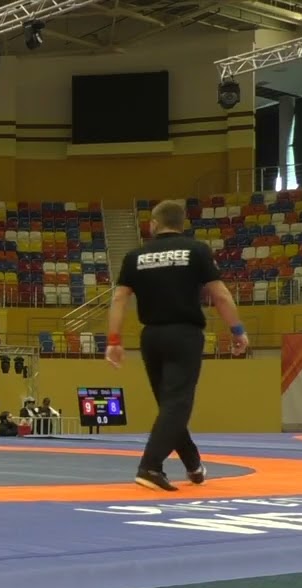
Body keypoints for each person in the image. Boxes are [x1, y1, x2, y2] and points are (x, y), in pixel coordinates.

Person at [106, 199, 248, 492]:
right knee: (177, 404)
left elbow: (119, 299)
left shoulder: (135, 256)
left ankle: (193, 464)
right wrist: (237, 330)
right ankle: (150, 466)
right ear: (182, 224)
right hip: (185, 335)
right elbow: (220, 295)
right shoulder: (196, 251)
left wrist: (114, 340)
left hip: (151, 337)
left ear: (153, 225)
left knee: (169, 405)